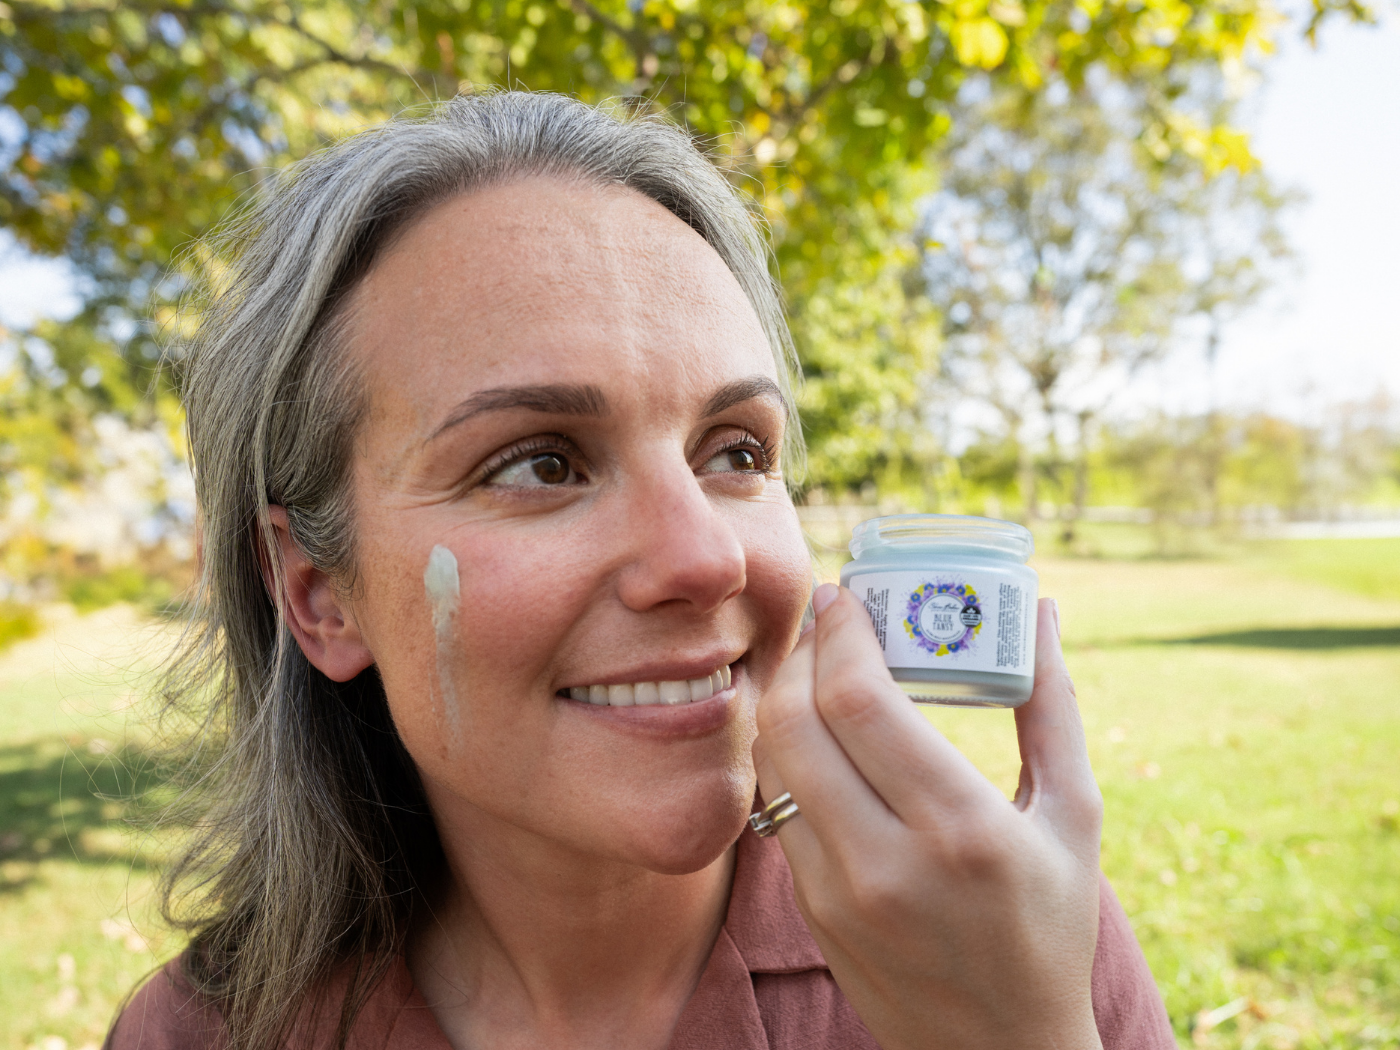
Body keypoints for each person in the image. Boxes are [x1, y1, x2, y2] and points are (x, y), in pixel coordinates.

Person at [107, 91, 1175, 1050]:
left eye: (736, 453)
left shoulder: (1008, 938)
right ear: (319, 598)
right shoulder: (195, 1038)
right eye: (539, 464)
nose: (706, 558)